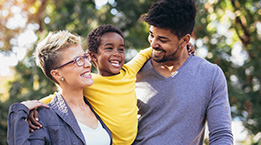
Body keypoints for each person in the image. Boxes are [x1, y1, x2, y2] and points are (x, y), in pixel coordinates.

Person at [28, 25, 195, 144]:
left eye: (121, 49)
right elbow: (58, 97)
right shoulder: (89, 83)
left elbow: (147, 52)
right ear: (92, 57)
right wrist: (31, 106)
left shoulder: (129, 71)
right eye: (109, 48)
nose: (116, 54)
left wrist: (181, 44)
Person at [133, 0, 234, 145]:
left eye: (162, 39)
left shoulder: (211, 75)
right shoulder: (135, 71)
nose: (153, 43)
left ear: (185, 40)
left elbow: (221, 135)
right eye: (151, 35)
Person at [7, 31, 112, 145]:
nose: (88, 64)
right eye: (78, 60)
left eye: (85, 57)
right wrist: (19, 112)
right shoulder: (42, 118)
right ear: (57, 74)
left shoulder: (98, 105)